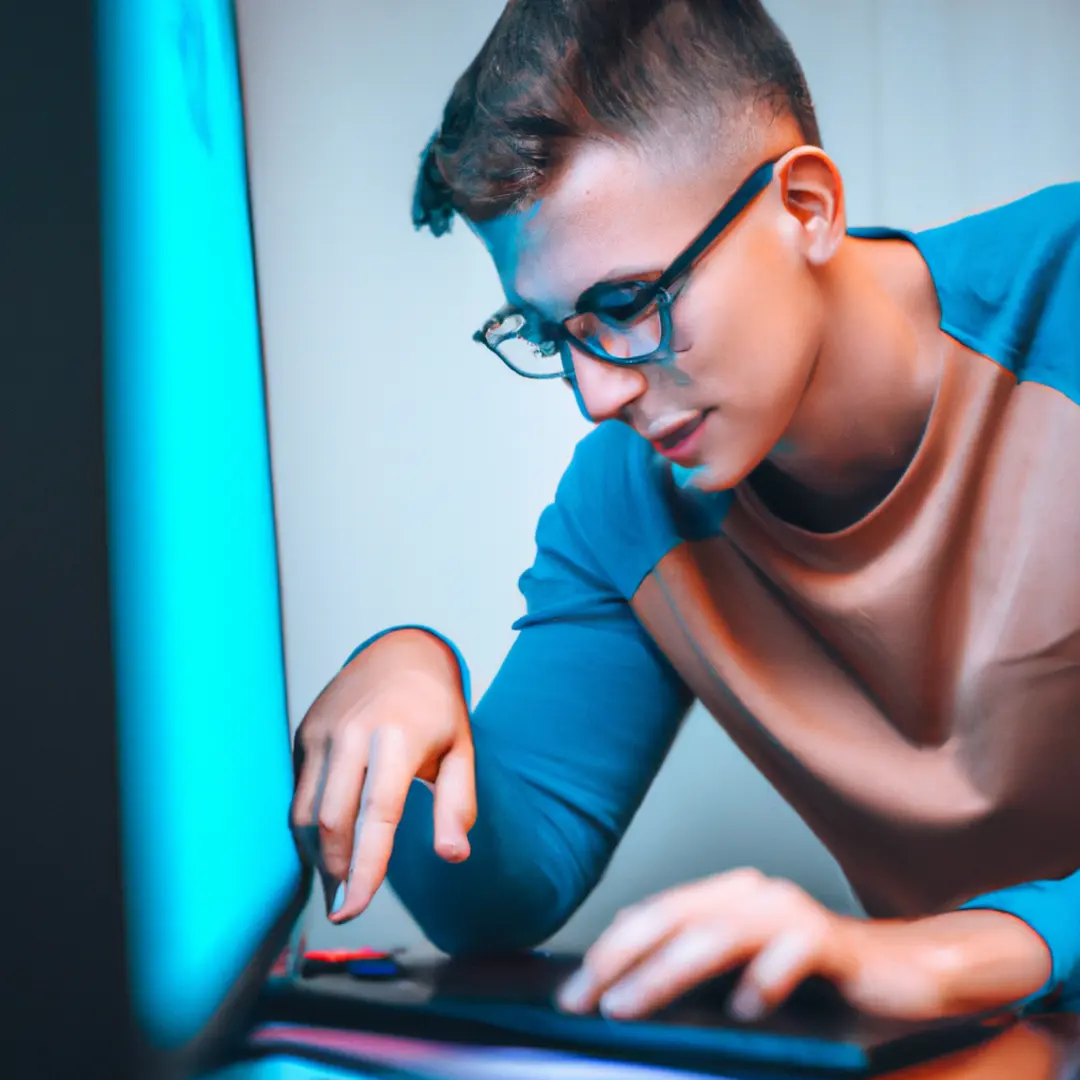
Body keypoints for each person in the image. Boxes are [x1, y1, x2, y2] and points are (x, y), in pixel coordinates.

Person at [291, 0, 1080, 1026]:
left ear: (806, 206)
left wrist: (952, 958)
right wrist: (408, 679)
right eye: (549, 334)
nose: (596, 395)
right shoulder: (624, 502)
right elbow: (500, 899)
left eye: (625, 304)